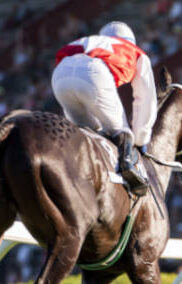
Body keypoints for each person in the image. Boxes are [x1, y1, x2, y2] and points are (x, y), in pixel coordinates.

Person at [51, 21, 158, 196]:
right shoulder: (136, 52)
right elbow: (145, 99)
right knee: (122, 132)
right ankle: (130, 173)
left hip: (59, 76)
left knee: (84, 133)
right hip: (93, 73)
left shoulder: (88, 40)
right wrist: (139, 138)